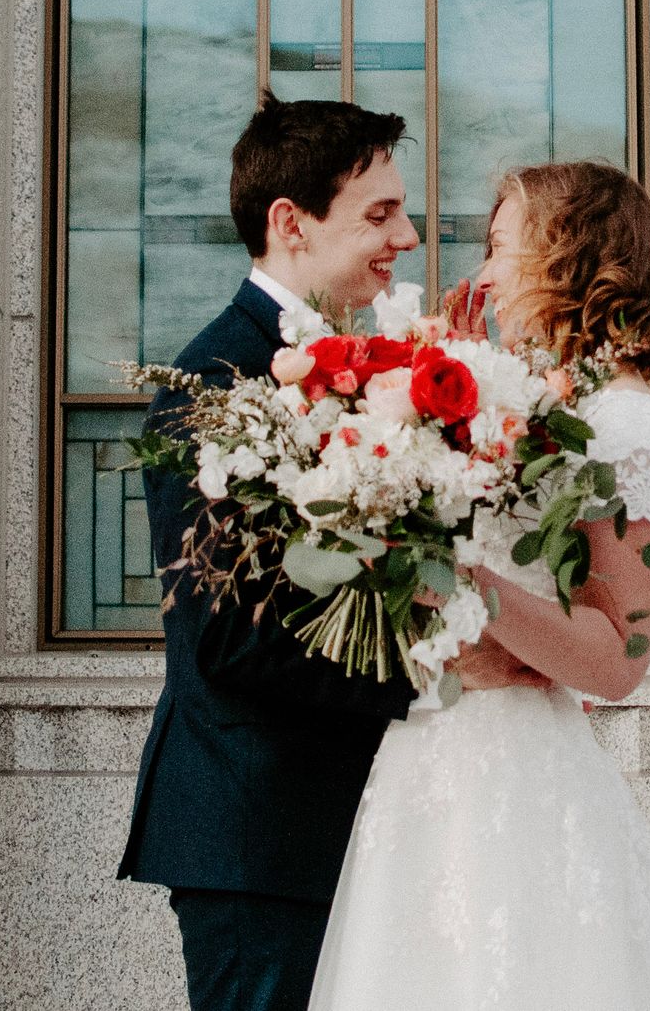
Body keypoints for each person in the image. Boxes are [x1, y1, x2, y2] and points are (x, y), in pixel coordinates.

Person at [119, 94, 541, 1011]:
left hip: (376, 829)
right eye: (380, 214)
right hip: (262, 839)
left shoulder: (371, 370)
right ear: (290, 222)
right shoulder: (206, 386)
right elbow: (226, 641)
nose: (411, 234)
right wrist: (432, 672)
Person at [306, 160, 650, 1011]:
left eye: (501, 247)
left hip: (515, 782)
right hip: (434, 762)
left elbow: (619, 657)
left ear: (568, 257)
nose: (484, 274)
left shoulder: (627, 430)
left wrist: (467, 582)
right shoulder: (540, 411)